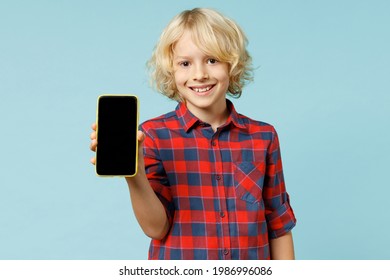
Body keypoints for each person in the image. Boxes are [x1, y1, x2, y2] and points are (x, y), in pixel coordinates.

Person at [90, 8, 296, 260]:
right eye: (185, 63)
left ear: (232, 65)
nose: (199, 74)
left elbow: (278, 224)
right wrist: (134, 174)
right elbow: (156, 227)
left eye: (212, 60)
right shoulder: (153, 136)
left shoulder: (263, 137)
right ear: (171, 70)